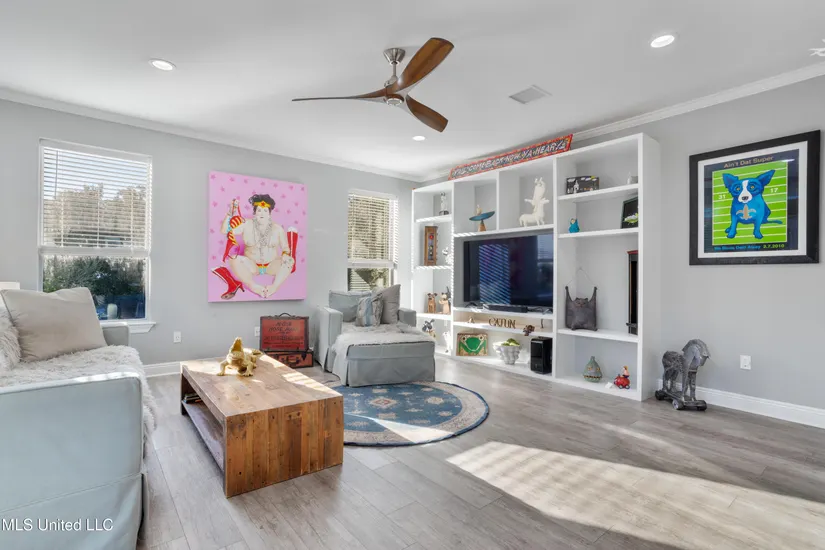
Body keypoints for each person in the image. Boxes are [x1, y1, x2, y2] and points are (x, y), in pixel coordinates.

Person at [212, 194, 296, 299]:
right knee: (233, 259)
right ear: (255, 212)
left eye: (265, 211)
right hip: (252, 266)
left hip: (271, 266)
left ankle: (274, 287)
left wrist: (285, 256)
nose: (262, 213)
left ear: (269, 213)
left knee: (290, 260)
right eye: (259, 210)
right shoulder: (247, 224)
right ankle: (254, 287)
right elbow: (224, 230)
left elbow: (286, 249)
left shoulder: (278, 229)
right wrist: (230, 213)